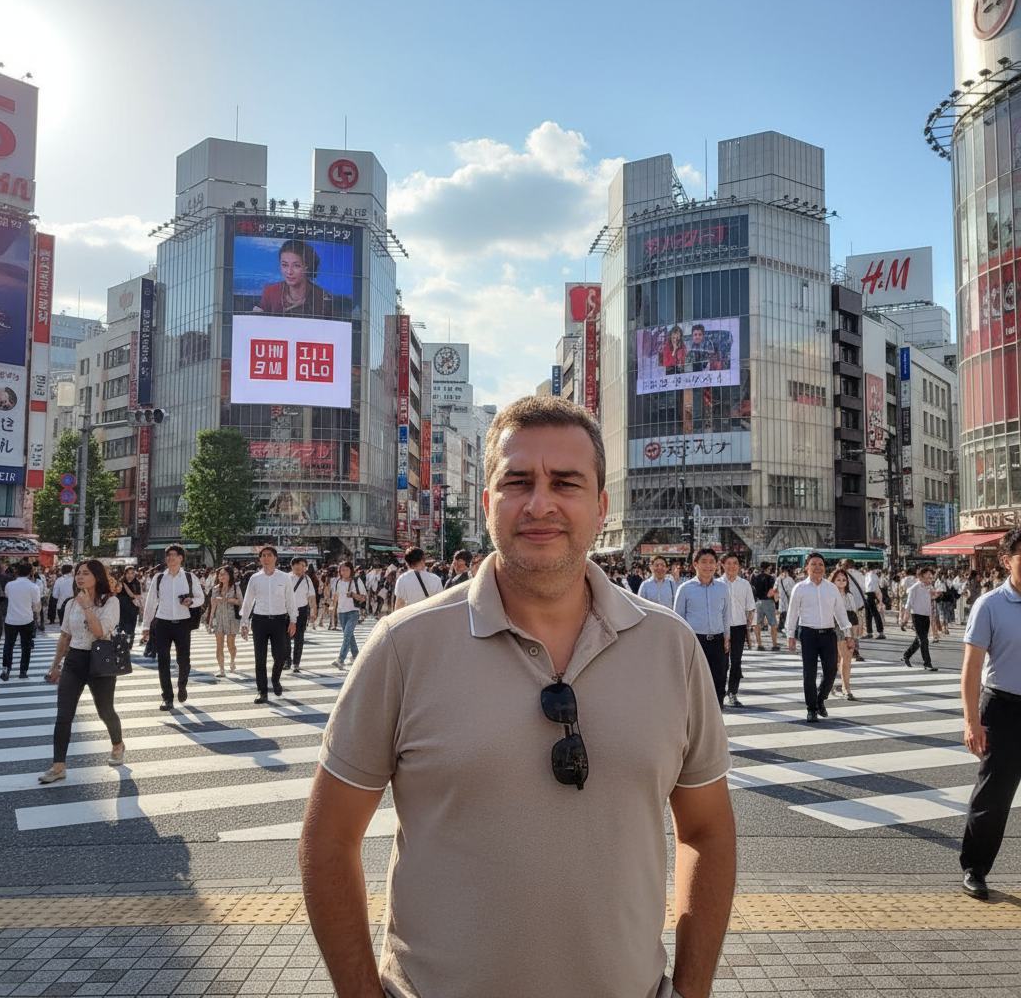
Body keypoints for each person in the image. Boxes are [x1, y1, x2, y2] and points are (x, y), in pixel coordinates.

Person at [300, 395, 734, 998]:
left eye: (566, 482)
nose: (540, 504)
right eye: (518, 481)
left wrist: (692, 989)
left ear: (601, 506)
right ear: (487, 504)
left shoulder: (670, 647)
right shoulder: (405, 646)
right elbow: (329, 837)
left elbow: (707, 830)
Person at [959, 526, 1021, 901]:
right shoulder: (990, 605)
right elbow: (970, 669)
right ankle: (975, 868)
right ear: (1006, 561)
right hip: (1003, 708)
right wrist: (971, 721)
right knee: (994, 797)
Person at [37, 560, 124, 783]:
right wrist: (55, 664)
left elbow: (99, 631)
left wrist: (86, 606)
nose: (79, 577)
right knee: (63, 714)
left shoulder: (111, 602)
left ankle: (117, 744)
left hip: (100, 661)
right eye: (78, 573)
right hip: (74, 661)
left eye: (85, 573)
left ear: (97, 576)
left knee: (105, 711)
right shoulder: (71, 603)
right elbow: (65, 635)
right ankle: (58, 766)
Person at [786, 552, 851, 723]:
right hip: (808, 633)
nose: (817, 567)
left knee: (831, 670)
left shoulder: (831, 588)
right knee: (810, 673)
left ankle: (820, 698)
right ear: (807, 567)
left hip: (828, 634)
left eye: (820, 564)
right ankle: (811, 709)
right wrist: (790, 635)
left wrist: (848, 634)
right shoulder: (800, 588)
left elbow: (840, 612)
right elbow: (792, 613)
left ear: (824, 568)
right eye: (813, 564)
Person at [140, 544, 205, 711]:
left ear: (181, 558)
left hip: (183, 623)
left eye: (174, 555)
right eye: (168, 555)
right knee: (163, 660)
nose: (170, 558)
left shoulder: (189, 577)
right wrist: (146, 626)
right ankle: (167, 697)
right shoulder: (159, 578)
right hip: (162, 623)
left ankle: (182, 685)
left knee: (184, 660)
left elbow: (201, 598)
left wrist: (191, 602)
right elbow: (151, 602)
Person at [240, 545, 297, 703]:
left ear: (275, 558)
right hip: (260, 621)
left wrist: (293, 620)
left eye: (269, 555)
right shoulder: (255, 578)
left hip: (279, 621)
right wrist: (244, 622)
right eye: (263, 556)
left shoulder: (284, 578)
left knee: (280, 656)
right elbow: (248, 601)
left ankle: (275, 679)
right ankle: (262, 691)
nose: (266, 558)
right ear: (260, 559)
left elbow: (290, 600)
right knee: (260, 658)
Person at [674, 548, 731, 708]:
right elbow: (678, 619)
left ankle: (717, 716)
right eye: (704, 562)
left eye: (712, 562)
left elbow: (726, 614)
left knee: (719, 681)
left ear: (716, 565)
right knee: (695, 683)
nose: (708, 566)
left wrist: (727, 637)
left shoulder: (722, 588)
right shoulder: (685, 589)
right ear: (695, 565)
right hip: (695, 641)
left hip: (718, 641)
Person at [251, 239, 334, 316]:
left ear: (306, 267)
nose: (289, 272)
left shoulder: (322, 297)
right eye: (285, 265)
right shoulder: (270, 291)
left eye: (296, 266)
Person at [721, 552, 755, 708]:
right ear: (722, 565)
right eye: (728, 563)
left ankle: (733, 692)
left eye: (735, 563)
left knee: (736, 661)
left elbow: (750, 608)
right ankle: (720, 691)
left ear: (739, 566)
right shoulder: (717, 584)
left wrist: (748, 629)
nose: (732, 566)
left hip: (739, 627)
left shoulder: (744, 584)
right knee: (722, 662)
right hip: (720, 627)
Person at [1, 562, 40, 680]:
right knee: (26, 646)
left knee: (8, 645)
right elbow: (36, 605)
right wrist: (37, 616)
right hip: (27, 619)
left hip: (11, 619)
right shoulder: (34, 587)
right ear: (30, 573)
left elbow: (7, 597)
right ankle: (23, 671)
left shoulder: (9, 585)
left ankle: (6, 668)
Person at [327, 561, 365, 669]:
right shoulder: (338, 582)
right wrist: (333, 607)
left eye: (346, 570)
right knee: (349, 636)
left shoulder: (356, 581)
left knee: (347, 635)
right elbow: (336, 596)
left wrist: (353, 595)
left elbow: (363, 597)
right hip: (341, 612)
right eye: (342, 570)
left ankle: (341, 658)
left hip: (353, 611)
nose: (344, 572)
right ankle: (356, 655)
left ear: (351, 570)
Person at [829, 569, 858, 701]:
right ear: (833, 581)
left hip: (848, 626)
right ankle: (838, 685)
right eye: (838, 579)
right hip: (834, 625)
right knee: (839, 656)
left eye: (844, 580)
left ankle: (845, 687)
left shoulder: (849, 596)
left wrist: (857, 629)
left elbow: (854, 614)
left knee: (846, 657)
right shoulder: (829, 595)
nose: (841, 582)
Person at [209, 566, 243, 676]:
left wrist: (229, 600)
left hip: (232, 619)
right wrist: (210, 622)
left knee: (230, 644)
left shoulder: (235, 588)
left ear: (229, 576)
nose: (221, 576)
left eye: (224, 574)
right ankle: (222, 669)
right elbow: (213, 606)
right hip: (218, 619)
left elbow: (241, 602)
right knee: (219, 645)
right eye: (220, 574)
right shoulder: (215, 589)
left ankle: (232, 659)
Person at [903, 567, 938, 672]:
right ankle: (927, 663)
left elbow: (933, 597)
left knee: (919, 640)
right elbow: (908, 605)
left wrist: (934, 594)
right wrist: (905, 619)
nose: (930, 579)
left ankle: (906, 655)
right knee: (923, 640)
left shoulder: (929, 588)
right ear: (921, 577)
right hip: (917, 615)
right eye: (928, 576)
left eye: (931, 577)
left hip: (926, 616)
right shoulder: (914, 588)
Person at [285, 557, 317, 671]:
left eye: (304, 566)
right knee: (285, 637)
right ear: (293, 565)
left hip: (302, 611)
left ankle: (296, 663)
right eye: (300, 565)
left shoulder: (307, 580)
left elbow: (311, 597)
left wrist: (313, 611)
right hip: (287, 611)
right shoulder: (285, 578)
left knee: (299, 637)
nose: (303, 568)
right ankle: (287, 661)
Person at [750, 561, 779, 651]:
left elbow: (753, 590)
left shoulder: (755, 578)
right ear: (767, 569)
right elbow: (772, 591)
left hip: (758, 601)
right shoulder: (771, 578)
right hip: (769, 602)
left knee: (757, 623)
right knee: (773, 624)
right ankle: (774, 644)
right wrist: (776, 603)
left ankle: (759, 644)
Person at [115, 566, 142, 648]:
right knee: (121, 627)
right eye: (128, 573)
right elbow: (116, 593)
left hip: (132, 609)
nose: (130, 576)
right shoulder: (120, 582)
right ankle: (120, 645)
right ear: (125, 574)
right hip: (121, 609)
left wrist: (133, 596)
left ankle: (129, 645)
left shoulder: (136, 583)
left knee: (131, 628)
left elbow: (138, 596)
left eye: (132, 573)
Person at [863, 563, 886, 639]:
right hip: (871, 594)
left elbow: (872, 587)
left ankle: (872, 632)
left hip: (869, 594)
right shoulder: (873, 575)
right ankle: (877, 631)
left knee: (871, 613)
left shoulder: (869, 575)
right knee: (872, 613)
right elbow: (876, 587)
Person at [776, 565, 794, 633]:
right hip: (787, 600)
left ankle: (780, 627)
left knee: (782, 614)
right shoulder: (789, 579)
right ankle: (784, 628)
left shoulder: (779, 578)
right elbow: (791, 591)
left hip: (781, 599)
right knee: (786, 614)